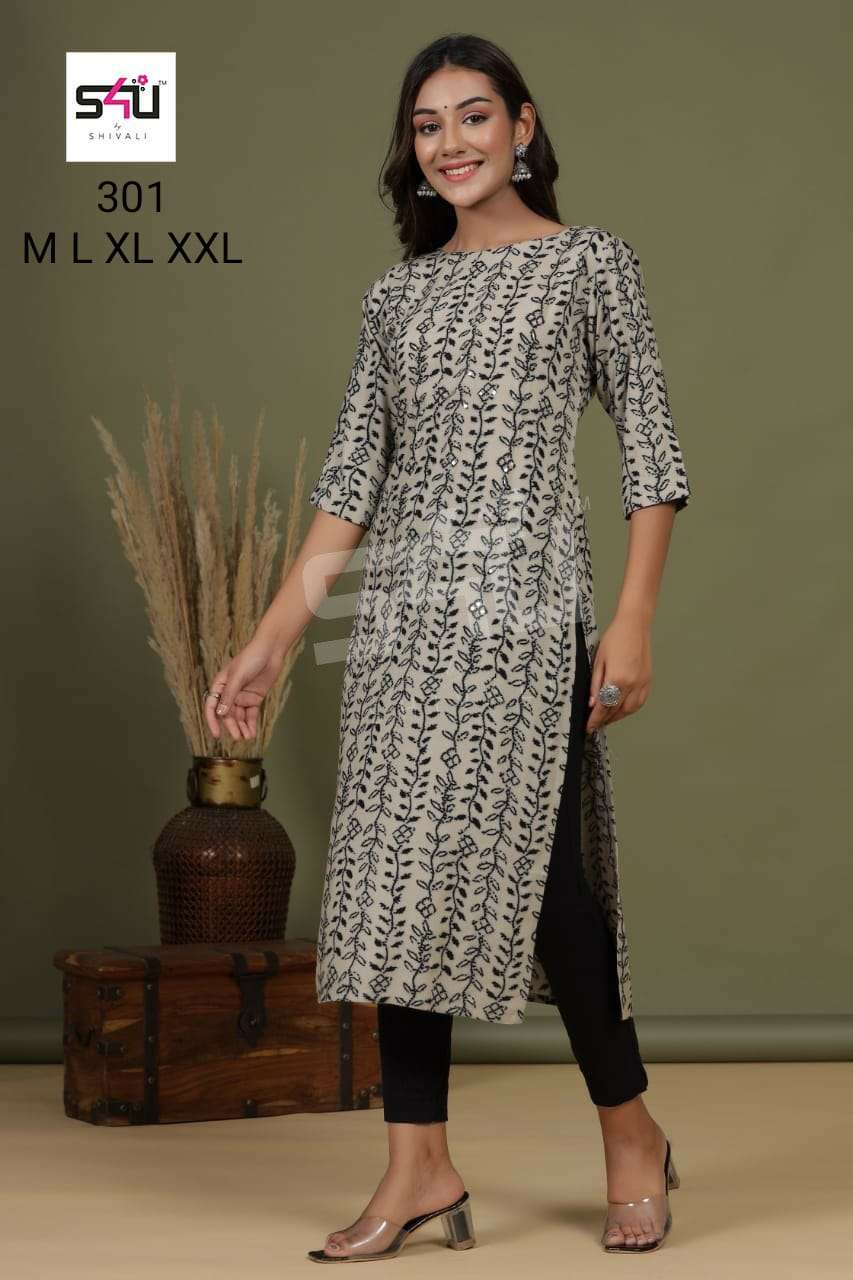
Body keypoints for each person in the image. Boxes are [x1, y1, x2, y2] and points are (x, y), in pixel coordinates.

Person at [203, 31, 690, 1263]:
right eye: (427, 126)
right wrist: (269, 642)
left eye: (474, 116)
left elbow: (651, 451)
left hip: (527, 610)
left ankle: (630, 1131)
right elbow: (349, 483)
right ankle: (418, 1162)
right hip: (398, 619)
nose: (451, 143)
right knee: (394, 884)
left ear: (522, 126)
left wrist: (632, 617)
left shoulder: (588, 263)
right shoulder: (399, 297)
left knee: (553, 890)